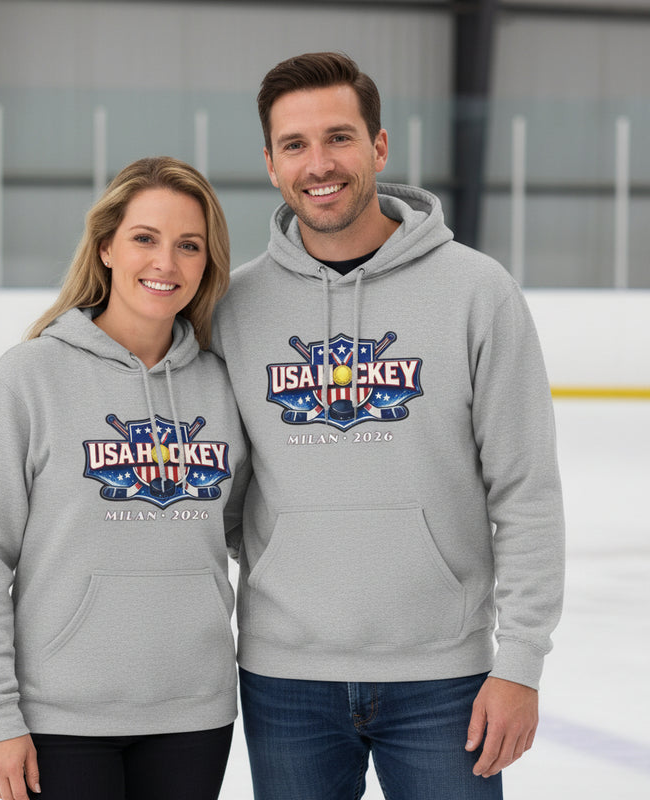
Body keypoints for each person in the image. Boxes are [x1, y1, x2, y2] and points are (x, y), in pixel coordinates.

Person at [211, 52, 564, 799]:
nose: (319, 164)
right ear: (271, 165)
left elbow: (526, 492)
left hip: (446, 680)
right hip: (285, 680)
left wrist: (521, 664)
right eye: (295, 146)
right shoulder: (235, 309)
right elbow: (225, 495)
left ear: (378, 147)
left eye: (339, 138)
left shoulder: (478, 292)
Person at [0, 156, 249, 800]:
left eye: (188, 245)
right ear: (107, 246)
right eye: (145, 238)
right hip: (61, 716)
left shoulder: (223, 387)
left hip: (193, 712)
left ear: (206, 263)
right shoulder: (28, 378)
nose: (165, 262)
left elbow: (245, 528)